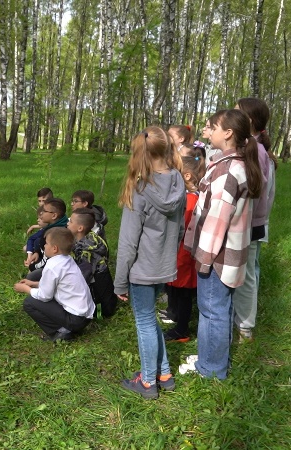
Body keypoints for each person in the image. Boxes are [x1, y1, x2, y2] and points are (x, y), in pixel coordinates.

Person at [180, 109, 263, 379]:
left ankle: (212, 368)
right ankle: (211, 356)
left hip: (217, 256)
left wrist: (204, 258)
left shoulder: (228, 170)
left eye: (212, 127)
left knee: (212, 311)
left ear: (227, 133)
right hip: (227, 254)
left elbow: (217, 222)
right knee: (219, 309)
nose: (208, 131)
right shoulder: (231, 164)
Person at [115, 127, 186, 399]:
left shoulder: (141, 188)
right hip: (164, 266)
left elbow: (128, 243)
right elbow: (179, 230)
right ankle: (164, 374)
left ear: (139, 153)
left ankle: (147, 382)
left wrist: (119, 281)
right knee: (149, 318)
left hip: (143, 269)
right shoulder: (178, 181)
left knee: (144, 321)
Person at [232, 97, 278, 341]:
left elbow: (255, 192)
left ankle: (245, 326)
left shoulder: (256, 150)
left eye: (237, 112)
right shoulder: (253, 147)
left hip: (249, 224)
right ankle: (239, 318)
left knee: (247, 274)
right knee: (246, 271)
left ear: (249, 120)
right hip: (249, 223)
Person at [14, 228, 95, 342]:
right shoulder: (68, 259)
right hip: (85, 316)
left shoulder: (52, 266)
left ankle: (60, 332)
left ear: (54, 248)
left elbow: (44, 296)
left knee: (29, 303)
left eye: (46, 243)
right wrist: (33, 284)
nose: (44, 246)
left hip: (75, 319)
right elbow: (55, 284)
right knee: (39, 295)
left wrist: (26, 289)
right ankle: (67, 328)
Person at [159, 155, 206, 342]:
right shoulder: (188, 197)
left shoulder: (190, 200)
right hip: (180, 251)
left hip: (184, 253)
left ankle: (182, 329)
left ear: (186, 176)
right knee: (177, 288)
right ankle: (176, 315)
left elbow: (183, 228)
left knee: (184, 291)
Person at [68, 207, 118, 318]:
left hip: (97, 290)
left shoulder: (86, 250)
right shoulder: (89, 237)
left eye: (70, 221)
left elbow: (84, 277)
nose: (68, 223)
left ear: (80, 228)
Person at [25, 197, 68, 274]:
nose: (41, 214)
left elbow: (47, 260)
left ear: (54, 216)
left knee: (32, 276)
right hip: (46, 260)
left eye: (44, 211)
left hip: (54, 269)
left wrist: (32, 267)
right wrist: (37, 252)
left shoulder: (56, 233)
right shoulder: (51, 226)